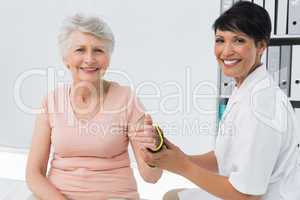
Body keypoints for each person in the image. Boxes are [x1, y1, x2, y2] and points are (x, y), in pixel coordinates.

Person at [138, 2, 300, 199]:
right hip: (246, 192)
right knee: (173, 195)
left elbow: (246, 196)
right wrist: (178, 157)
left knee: (172, 197)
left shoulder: (262, 106)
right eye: (220, 40)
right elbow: (224, 158)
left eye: (239, 41)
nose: (226, 51)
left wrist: (182, 166)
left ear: (261, 46)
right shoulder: (245, 87)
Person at [25, 14, 162, 200]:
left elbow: (151, 177)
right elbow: (33, 174)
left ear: (108, 58)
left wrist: (154, 151)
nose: (89, 59)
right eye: (80, 50)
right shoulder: (52, 101)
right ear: (66, 59)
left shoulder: (127, 99)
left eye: (98, 50)